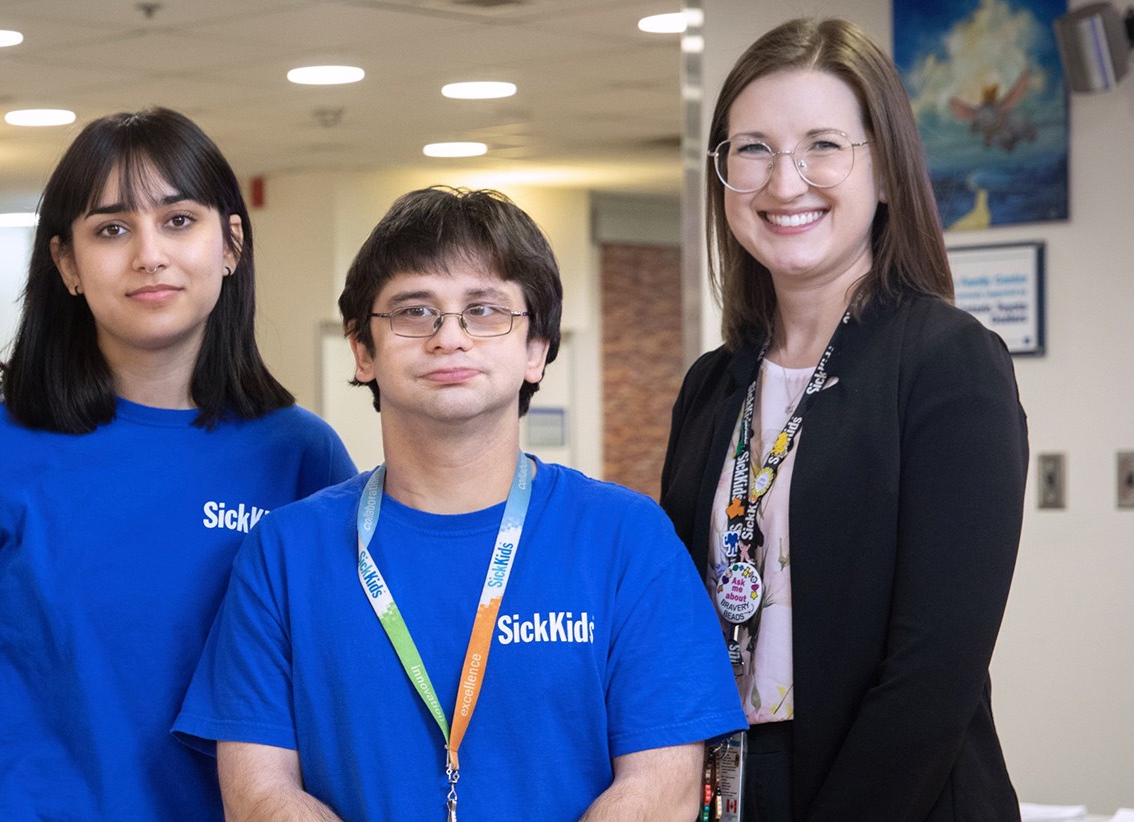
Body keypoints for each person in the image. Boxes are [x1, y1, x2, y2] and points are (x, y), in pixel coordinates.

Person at [176, 187, 745, 822]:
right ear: (362, 350)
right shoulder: (283, 553)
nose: (450, 338)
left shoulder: (628, 540)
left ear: (537, 350)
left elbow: (661, 785)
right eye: (414, 312)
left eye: (484, 310)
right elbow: (259, 793)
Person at [0, 107, 356, 821]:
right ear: (68, 265)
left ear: (231, 243)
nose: (149, 254)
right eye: (111, 229)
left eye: (178, 221)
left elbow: (326, 684)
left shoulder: (301, 456)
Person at [659, 18, 1027, 821]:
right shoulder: (714, 386)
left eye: (823, 146)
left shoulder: (947, 362)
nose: (784, 183)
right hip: (734, 788)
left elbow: (934, 671)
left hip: (898, 795)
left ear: (887, 172)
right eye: (751, 149)